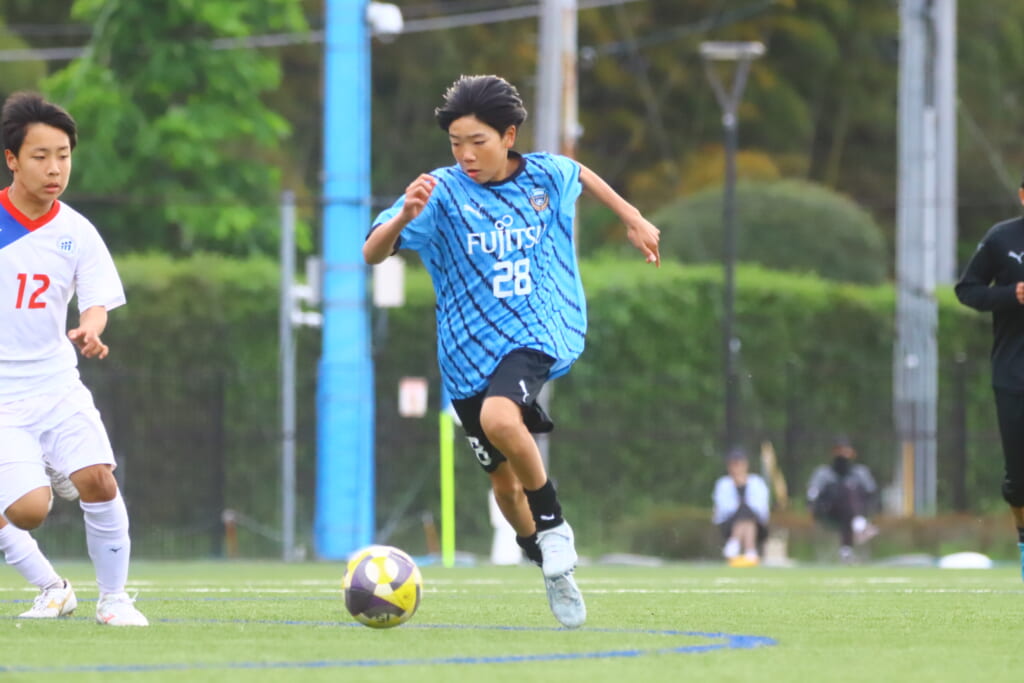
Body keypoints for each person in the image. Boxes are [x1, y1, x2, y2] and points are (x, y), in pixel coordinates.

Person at [364, 74, 660, 628]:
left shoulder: (543, 175)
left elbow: (579, 173)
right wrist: (403, 217)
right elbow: (371, 253)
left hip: (535, 330)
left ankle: (554, 525)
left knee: (502, 419)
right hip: (465, 356)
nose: (466, 155)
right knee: (502, 487)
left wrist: (633, 217)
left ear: (508, 136)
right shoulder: (440, 193)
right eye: (456, 143)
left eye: (477, 142)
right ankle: (549, 566)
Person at [0, 92, 147, 626]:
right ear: (12, 159)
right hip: (3, 397)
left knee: (99, 480)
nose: (54, 168)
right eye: (40, 156)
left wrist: (90, 328)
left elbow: (97, 300)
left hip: (58, 383)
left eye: (63, 155)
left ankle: (114, 600)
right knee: (28, 512)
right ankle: (52, 586)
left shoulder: (78, 231)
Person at [955, 180, 1024, 580]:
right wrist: (1010, 294)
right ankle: (1023, 536)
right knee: (1019, 479)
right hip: (1014, 374)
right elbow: (967, 290)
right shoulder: (1002, 239)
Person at [806, 436, 878, 563]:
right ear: (833, 452)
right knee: (845, 490)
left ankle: (846, 550)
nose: (842, 455)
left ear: (852, 453)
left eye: (846, 451)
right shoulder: (823, 473)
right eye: (839, 451)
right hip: (830, 512)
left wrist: (871, 508)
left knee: (851, 489)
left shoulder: (860, 472)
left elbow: (871, 494)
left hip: (855, 511)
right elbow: (812, 494)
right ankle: (860, 525)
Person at [712, 448, 770, 567]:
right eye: (733, 465)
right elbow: (724, 509)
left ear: (745, 465)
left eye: (738, 464)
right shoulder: (723, 484)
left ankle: (733, 545)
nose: (736, 468)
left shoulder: (756, 482)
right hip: (729, 524)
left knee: (747, 514)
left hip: (756, 524)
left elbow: (760, 507)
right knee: (744, 514)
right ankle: (750, 550)